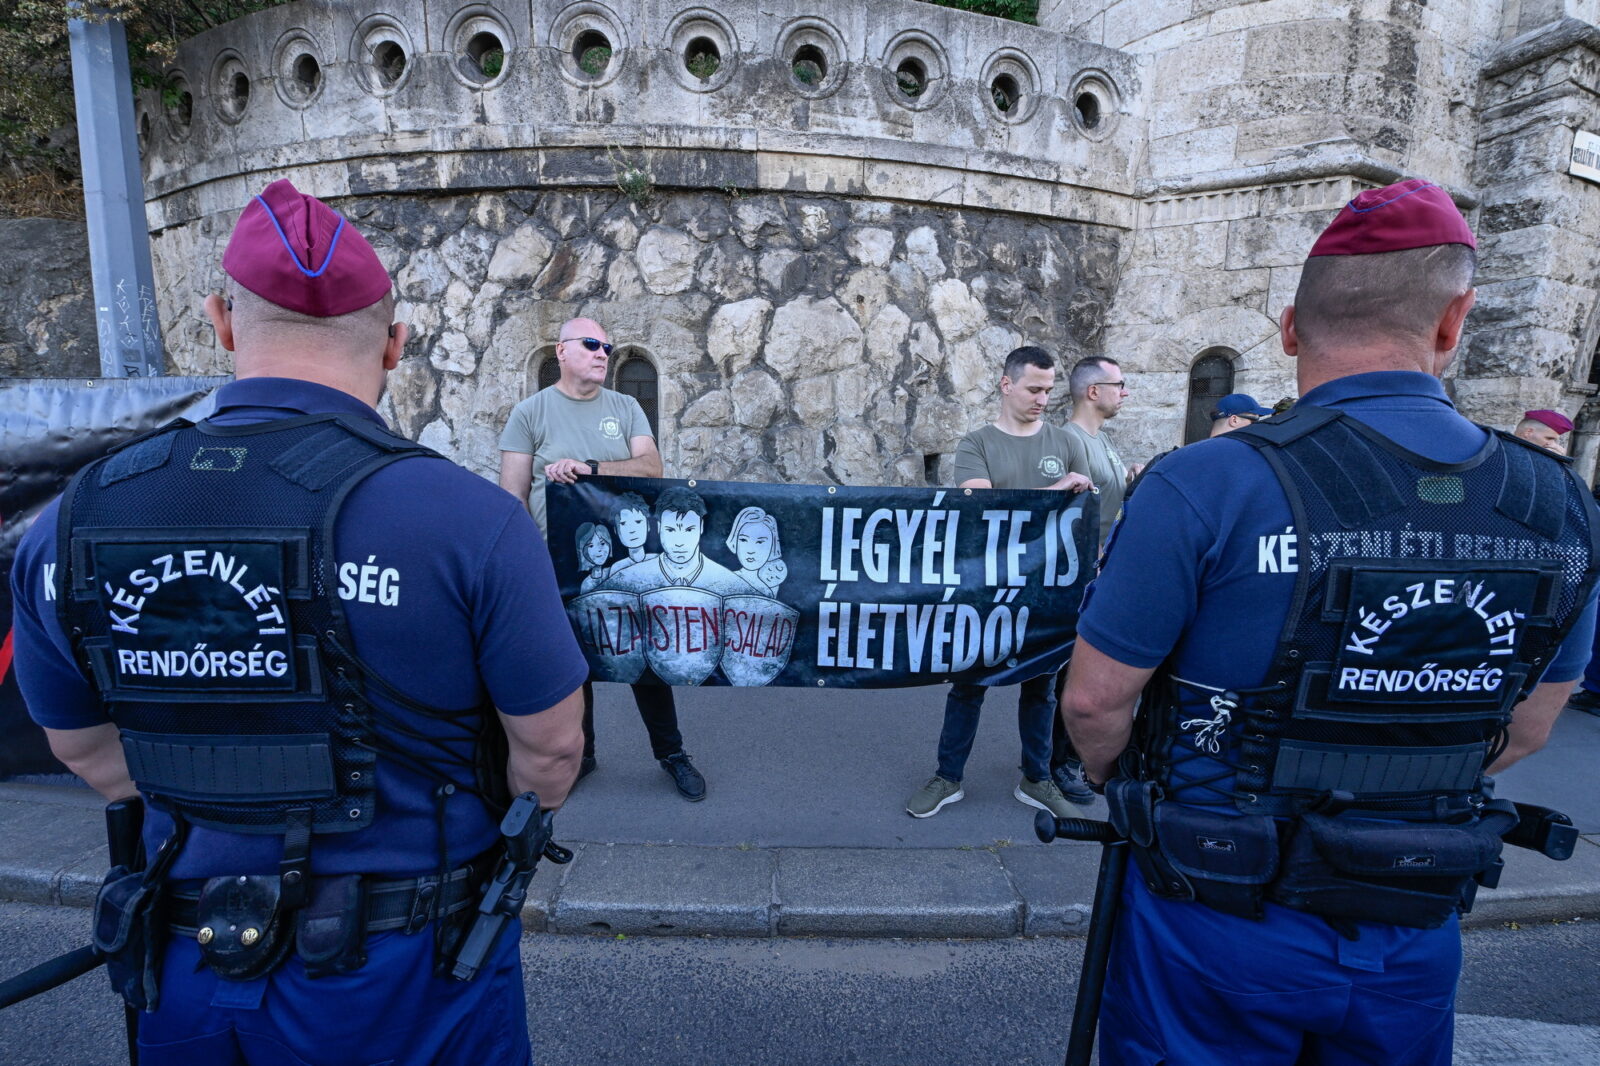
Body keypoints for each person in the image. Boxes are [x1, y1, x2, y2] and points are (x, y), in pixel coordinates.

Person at [7, 179, 588, 1066]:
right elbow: (549, 752)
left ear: (222, 321)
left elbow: (85, 753)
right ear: (396, 345)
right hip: (410, 973)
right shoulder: (472, 522)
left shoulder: (71, 522)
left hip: (190, 959)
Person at [1059, 178, 1600, 1065]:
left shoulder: (1205, 483)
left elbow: (1093, 706)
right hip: (1411, 912)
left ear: (1288, 329)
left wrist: (1147, 785)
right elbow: (1532, 726)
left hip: (1213, 907)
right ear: (1453, 322)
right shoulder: (1557, 507)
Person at [498, 320, 705, 801]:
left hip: (629, 564)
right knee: (574, 665)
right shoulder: (530, 413)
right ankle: (583, 755)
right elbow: (512, 497)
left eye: (607, 347)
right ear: (562, 350)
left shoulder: (626, 406)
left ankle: (671, 753)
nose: (602, 353)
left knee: (645, 661)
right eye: (591, 344)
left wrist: (588, 469)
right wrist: (525, 564)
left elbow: (652, 468)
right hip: (555, 565)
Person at [905, 345, 1093, 820]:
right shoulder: (977, 444)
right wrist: (1056, 491)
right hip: (985, 591)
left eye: (1049, 390)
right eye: (1034, 388)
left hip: (1048, 591)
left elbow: (1079, 517)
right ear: (1006, 385)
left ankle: (1037, 778)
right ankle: (948, 777)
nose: (1042, 399)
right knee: (968, 684)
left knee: (1041, 689)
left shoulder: (1066, 443)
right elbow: (983, 510)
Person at [600, 487, 749, 596]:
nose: (679, 542)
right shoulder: (627, 579)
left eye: (689, 530)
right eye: (671, 530)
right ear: (659, 528)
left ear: (701, 527)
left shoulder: (730, 584)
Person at [725, 505, 788, 595]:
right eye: (743, 540)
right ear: (734, 541)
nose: (750, 550)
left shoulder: (772, 584)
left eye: (760, 542)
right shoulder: (727, 579)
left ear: (772, 546)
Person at [577, 521, 616, 593]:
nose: (599, 550)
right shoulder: (586, 584)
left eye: (602, 543)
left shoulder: (614, 572)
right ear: (582, 549)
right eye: (591, 546)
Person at [1209, 393, 1273, 436]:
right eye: (1254, 421)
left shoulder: (1202, 450)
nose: (1256, 426)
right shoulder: (1232, 452)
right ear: (1234, 420)